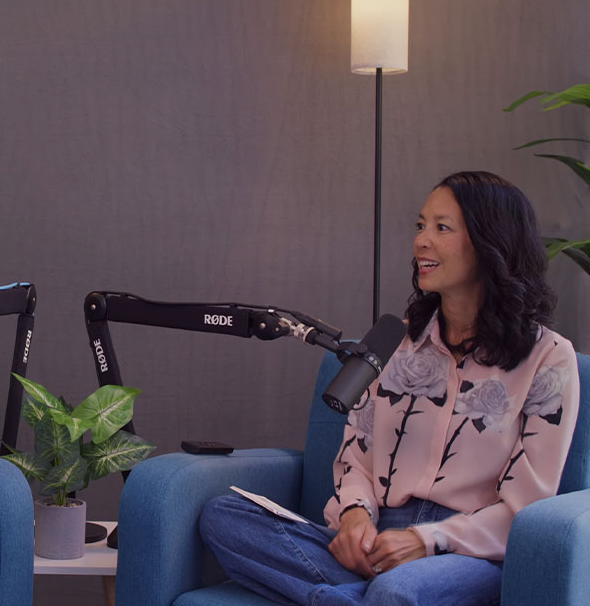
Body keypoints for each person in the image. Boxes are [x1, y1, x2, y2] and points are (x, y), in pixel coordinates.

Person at [199, 171, 579, 605]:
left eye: (442, 228)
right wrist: (355, 515)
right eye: (420, 226)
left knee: (398, 589)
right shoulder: (392, 343)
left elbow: (526, 508)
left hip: (472, 554)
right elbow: (356, 456)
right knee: (224, 516)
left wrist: (427, 539)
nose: (421, 242)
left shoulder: (547, 357)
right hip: (374, 543)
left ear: (491, 243)